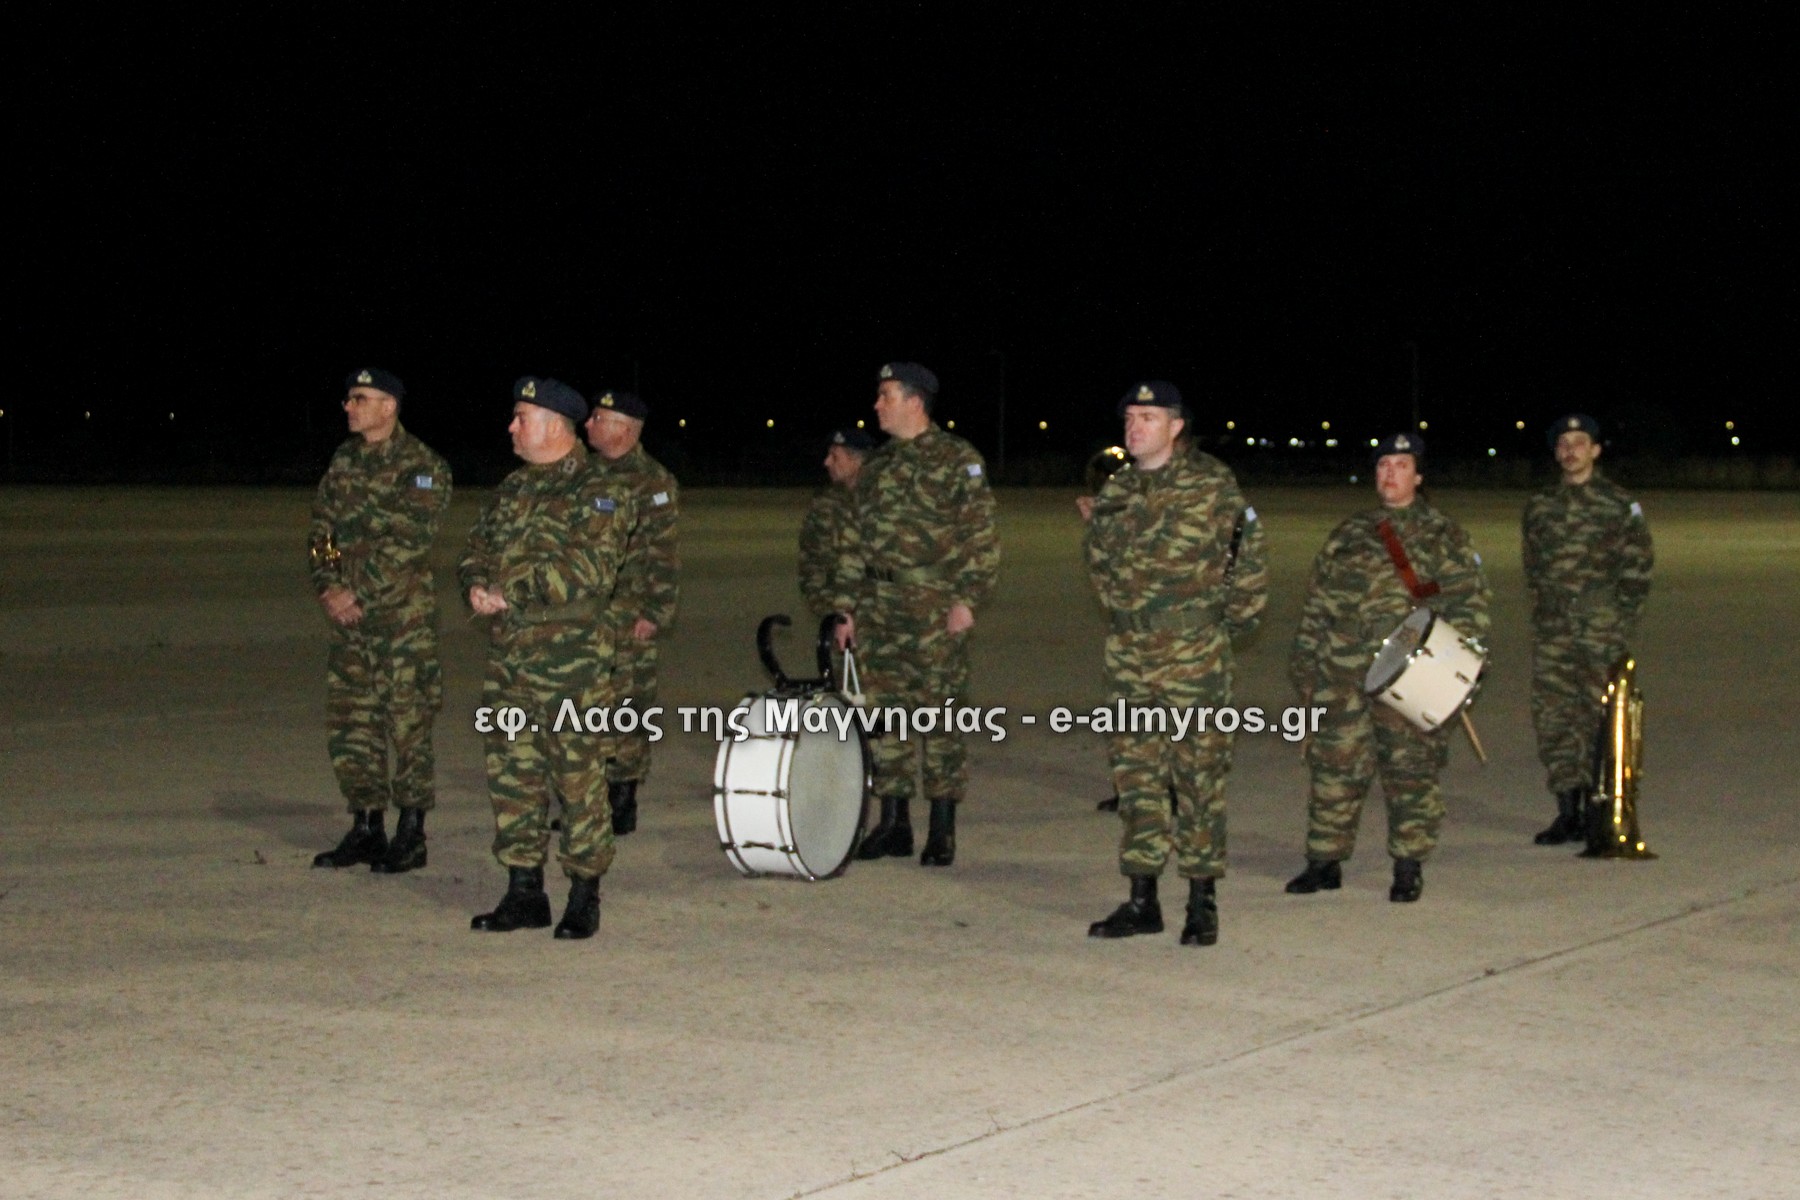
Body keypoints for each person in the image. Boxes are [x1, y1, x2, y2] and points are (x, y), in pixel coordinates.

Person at [1080, 382, 1267, 944]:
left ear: (1176, 426)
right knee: (1136, 778)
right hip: (1129, 655)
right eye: (1130, 418)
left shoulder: (1212, 483)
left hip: (1193, 656)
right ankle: (1143, 900)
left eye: (1148, 417)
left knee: (1198, 778)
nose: (1134, 427)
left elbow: (1248, 562)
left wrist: (1220, 635)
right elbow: (1099, 564)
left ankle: (1201, 900)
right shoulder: (1117, 489)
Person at [461, 377, 634, 940]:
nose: (511, 426)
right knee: (512, 773)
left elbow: (589, 570)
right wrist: (475, 585)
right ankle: (523, 891)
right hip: (511, 659)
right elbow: (474, 549)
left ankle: (584, 894)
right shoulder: (512, 489)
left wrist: (507, 591)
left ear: (555, 426)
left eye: (522, 417)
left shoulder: (598, 490)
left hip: (573, 662)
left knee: (578, 777)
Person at [1285, 432, 1490, 903]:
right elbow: (1318, 601)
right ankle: (1324, 861)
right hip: (1342, 670)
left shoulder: (1444, 535)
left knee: (1409, 769)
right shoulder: (1349, 533)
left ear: (1418, 476)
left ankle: (1408, 865)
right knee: (1335, 767)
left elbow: (1469, 606)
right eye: (1382, 466)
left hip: (1409, 672)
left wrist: (1462, 673)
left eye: (1400, 466)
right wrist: (1306, 661)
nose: (1390, 474)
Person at [831, 362, 999, 867]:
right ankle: (894, 822)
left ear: (914, 401)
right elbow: (853, 539)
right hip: (879, 606)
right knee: (885, 715)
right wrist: (846, 607)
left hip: (932, 607)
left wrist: (967, 600)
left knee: (940, 714)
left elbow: (981, 535)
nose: (877, 404)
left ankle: (942, 828)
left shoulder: (957, 459)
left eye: (886, 395)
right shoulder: (877, 467)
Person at [309, 367, 452, 874]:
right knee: (352, 724)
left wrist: (355, 590)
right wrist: (328, 585)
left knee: (407, 725)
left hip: (400, 621)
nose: (348, 406)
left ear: (389, 406)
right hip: (349, 621)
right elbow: (322, 532)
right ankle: (366, 825)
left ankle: (411, 833)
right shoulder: (344, 460)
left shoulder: (422, 467)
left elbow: (408, 543)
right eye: (349, 398)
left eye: (360, 398)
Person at [1523, 413, 1653, 844]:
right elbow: (1533, 566)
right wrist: (1544, 615)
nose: (1570, 450)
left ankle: (1603, 807)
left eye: (1579, 442)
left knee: (1600, 716)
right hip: (1554, 631)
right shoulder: (1540, 505)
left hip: (1600, 630)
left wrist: (1617, 621)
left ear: (1595, 451)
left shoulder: (1619, 504)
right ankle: (1568, 809)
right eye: (1563, 444)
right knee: (1554, 717)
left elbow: (1638, 569)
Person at [583, 390, 680, 836]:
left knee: (628, 704)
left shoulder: (653, 481)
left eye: (599, 418)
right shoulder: (583, 473)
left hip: (629, 611)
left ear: (624, 429)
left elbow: (664, 554)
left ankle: (622, 796)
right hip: (586, 612)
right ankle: (589, 795)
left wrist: (655, 611)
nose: (588, 424)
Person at [799, 428, 875, 618]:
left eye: (835, 457)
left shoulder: (884, 500)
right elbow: (811, 558)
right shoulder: (825, 502)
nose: (826, 462)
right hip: (833, 608)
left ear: (856, 460)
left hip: (877, 613)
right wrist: (822, 604)